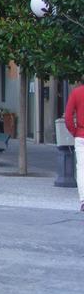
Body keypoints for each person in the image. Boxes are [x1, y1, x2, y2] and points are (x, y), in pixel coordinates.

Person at [63, 82, 84, 212]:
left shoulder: (76, 92)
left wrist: (74, 132)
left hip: (81, 135)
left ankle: (83, 200)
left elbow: (68, 117)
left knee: (82, 169)